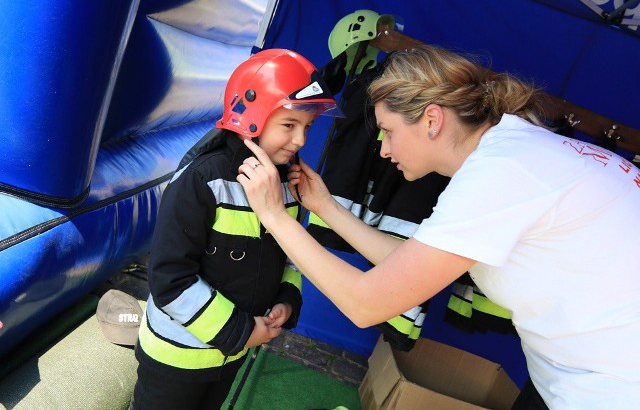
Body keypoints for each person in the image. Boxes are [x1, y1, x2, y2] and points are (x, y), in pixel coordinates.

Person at [236, 45, 640, 409]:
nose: (383, 149)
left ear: (431, 119)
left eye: (389, 132)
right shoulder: (515, 149)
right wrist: (325, 206)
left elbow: (368, 304)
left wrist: (274, 216)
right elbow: (408, 269)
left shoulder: (502, 171)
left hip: (611, 388)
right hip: (579, 372)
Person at [129, 48, 342, 410]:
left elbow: (291, 256)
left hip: (231, 356)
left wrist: (285, 302)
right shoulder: (202, 181)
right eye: (289, 126)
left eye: (306, 127)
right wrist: (241, 332)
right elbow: (169, 277)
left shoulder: (288, 186)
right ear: (253, 117)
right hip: (176, 359)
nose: (301, 141)